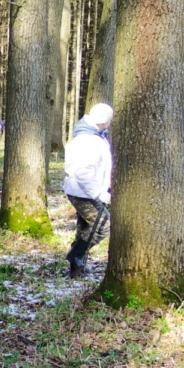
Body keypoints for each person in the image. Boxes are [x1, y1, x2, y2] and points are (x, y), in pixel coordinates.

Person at [63, 103, 114, 278]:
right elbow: (83, 172)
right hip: (83, 191)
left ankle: (77, 266)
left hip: (81, 189)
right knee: (103, 226)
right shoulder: (90, 140)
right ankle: (75, 255)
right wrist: (98, 193)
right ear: (105, 121)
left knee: (85, 226)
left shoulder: (91, 136)